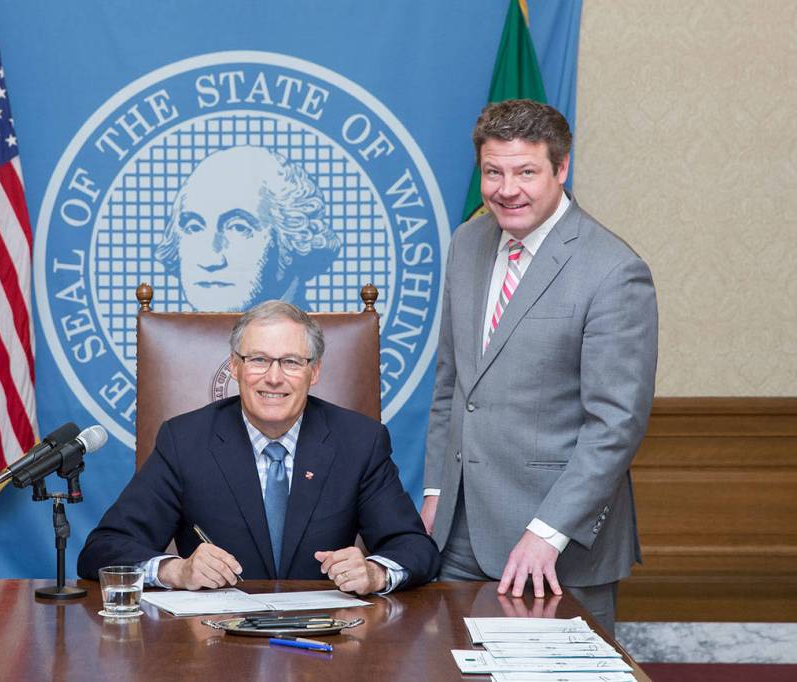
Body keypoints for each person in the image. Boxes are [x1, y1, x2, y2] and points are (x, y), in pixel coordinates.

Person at [420, 99, 658, 635]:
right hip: (456, 533)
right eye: (493, 172)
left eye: (526, 171)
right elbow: (453, 385)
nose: (507, 189)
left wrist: (548, 532)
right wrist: (436, 490)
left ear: (561, 168)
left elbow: (615, 426)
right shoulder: (467, 242)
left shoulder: (615, 271)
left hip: (557, 548)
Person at [79, 300, 439, 593]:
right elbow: (103, 549)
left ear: (314, 372)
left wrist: (376, 573)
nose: (274, 377)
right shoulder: (185, 440)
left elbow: (416, 548)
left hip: (327, 644)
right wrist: (176, 570)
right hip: (214, 645)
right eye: (259, 360)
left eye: (291, 362)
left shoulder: (360, 441)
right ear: (235, 367)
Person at [153, 146, 341, 312]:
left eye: (238, 228)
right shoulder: (169, 348)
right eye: (194, 227)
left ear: (291, 239)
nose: (210, 258)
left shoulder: (331, 350)